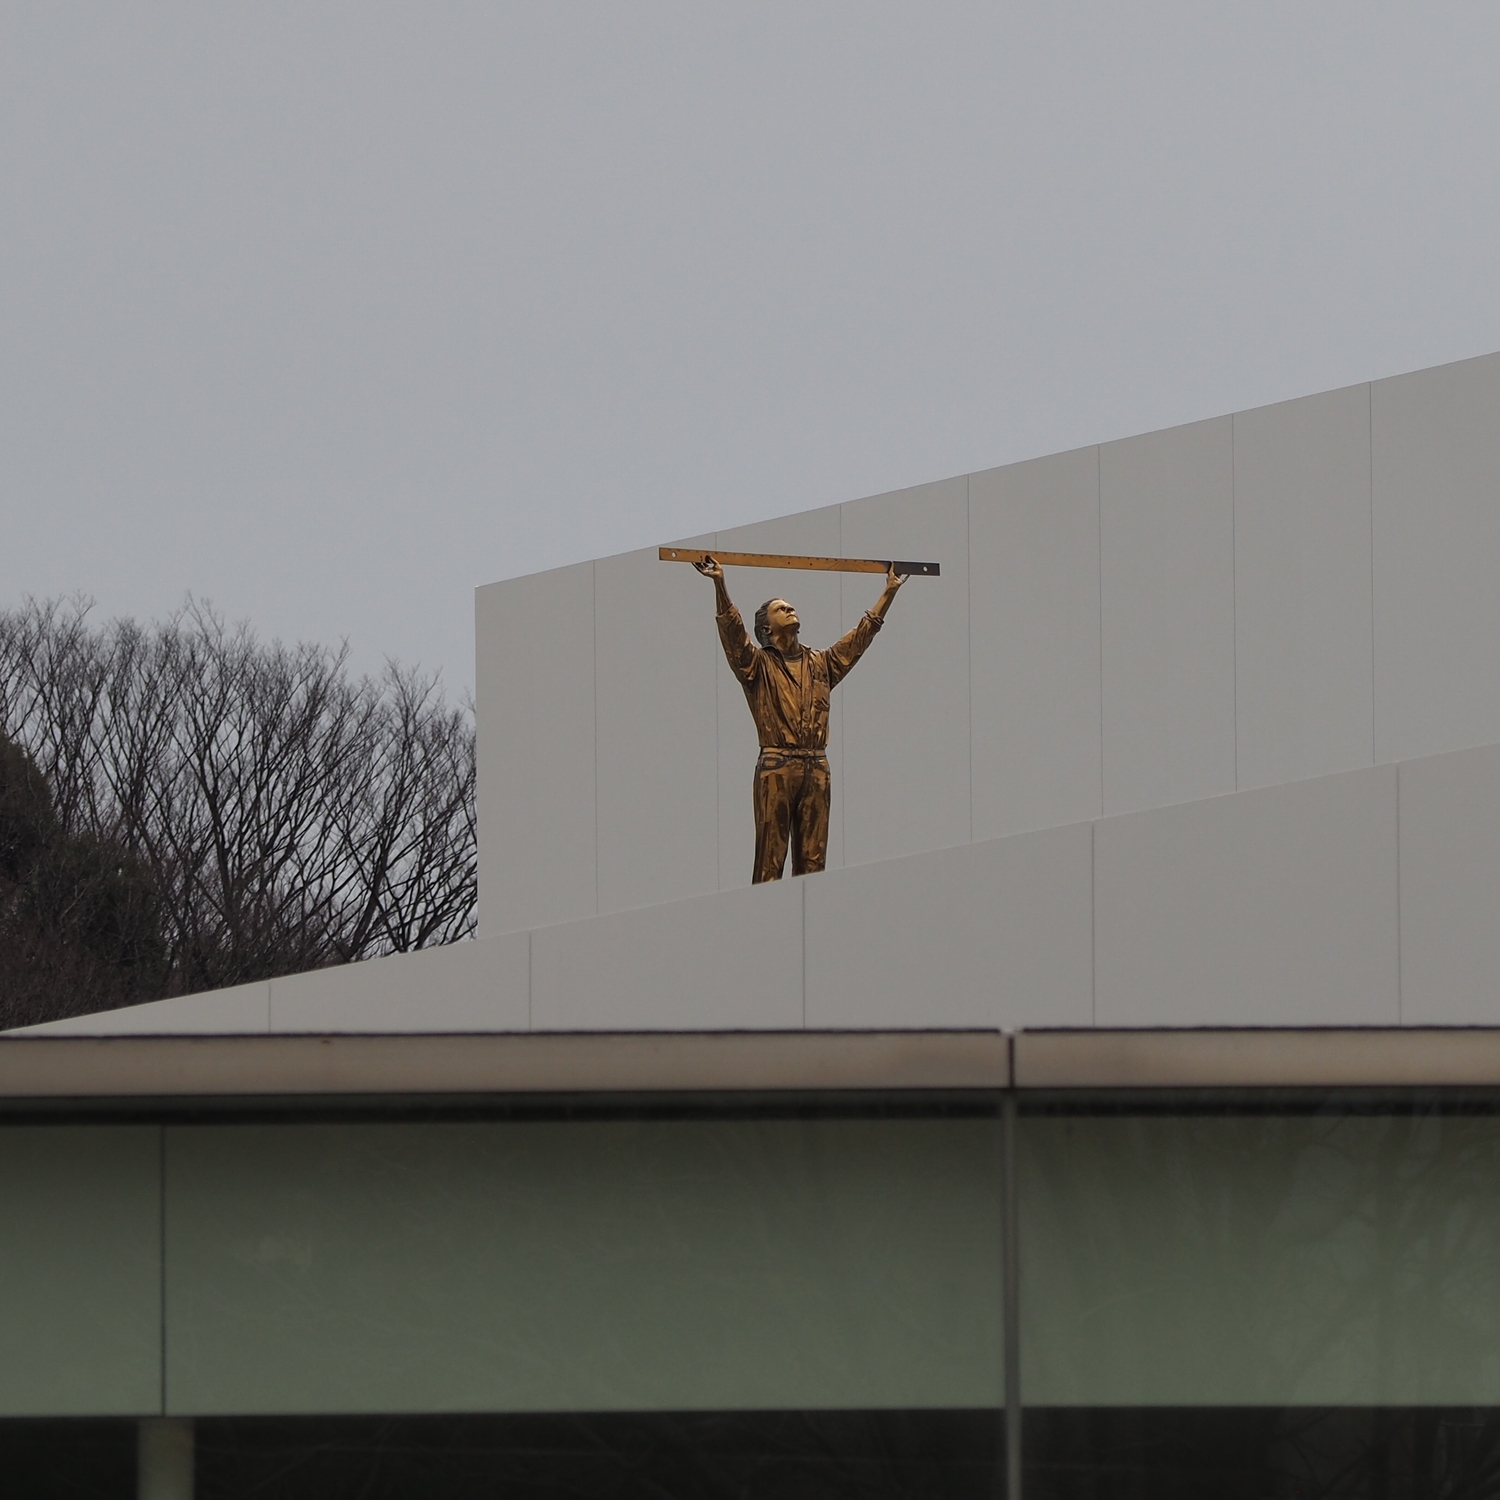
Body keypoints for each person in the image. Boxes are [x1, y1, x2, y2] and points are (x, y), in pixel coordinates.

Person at [694, 556, 905, 882]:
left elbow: (861, 638)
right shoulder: (757, 666)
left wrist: (889, 591)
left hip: (816, 768)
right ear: (766, 628)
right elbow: (732, 634)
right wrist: (720, 583)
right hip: (777, 767)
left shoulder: (820, 664)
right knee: (770, 862)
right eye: (781, 608)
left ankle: (813, 927)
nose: (791, 609)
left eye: (790, 606)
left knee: (814, 865)